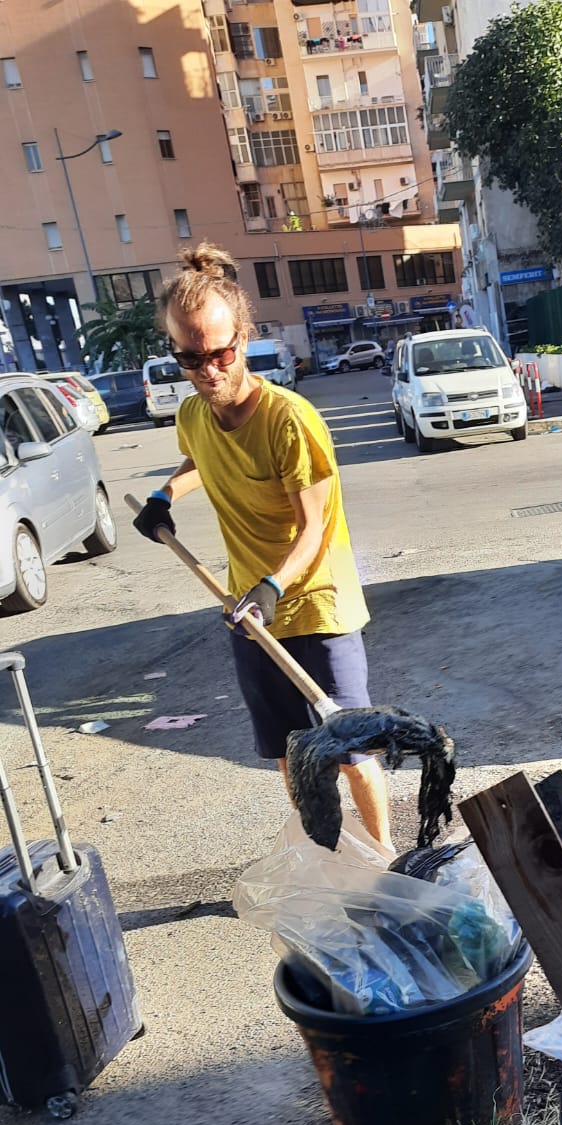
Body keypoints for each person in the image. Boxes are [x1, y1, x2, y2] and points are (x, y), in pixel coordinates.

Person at [132, 242, 394, 853]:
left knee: (349, 749)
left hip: (317, 605)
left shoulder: (288, 420)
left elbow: (314, 527)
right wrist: (165, 495)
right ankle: (321, 859)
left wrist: (273, 586)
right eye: (190, 358)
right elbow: (200, 458)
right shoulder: (193, 415)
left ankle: (385, 862)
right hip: (248, 612)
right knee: (288, 751)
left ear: (244, 339)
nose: (209, 372)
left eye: (220, 354)